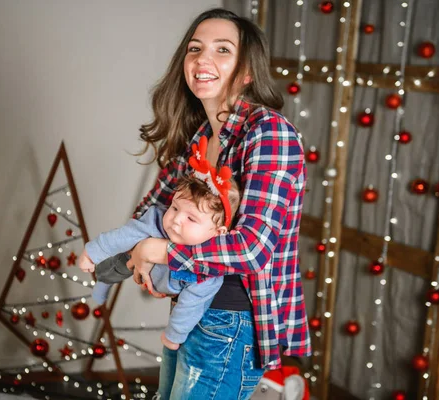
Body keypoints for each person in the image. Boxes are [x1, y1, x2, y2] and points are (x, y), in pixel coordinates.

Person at [121, 8, 311, 400]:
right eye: (195, 49)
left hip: (233, 321)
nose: (203, 60)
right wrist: (130, 248)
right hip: (190, 307)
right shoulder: (199, 139)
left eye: (222, 50)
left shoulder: (270, 134)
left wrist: (162, 250)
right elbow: (154, 208)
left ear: (247, 72)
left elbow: (253, 248)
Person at [78, 141, 241, 351]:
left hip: (168, 286)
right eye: (174, 207)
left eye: (191, 218)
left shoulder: (209, 268)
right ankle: (103, 281)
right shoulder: (155, 220)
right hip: (138, 260)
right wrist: (91, 253)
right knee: (120, 261)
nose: (175, 219)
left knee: (190, 303)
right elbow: (119, 237)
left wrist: (174, 335)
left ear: (218, 233)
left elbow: (190, 306)